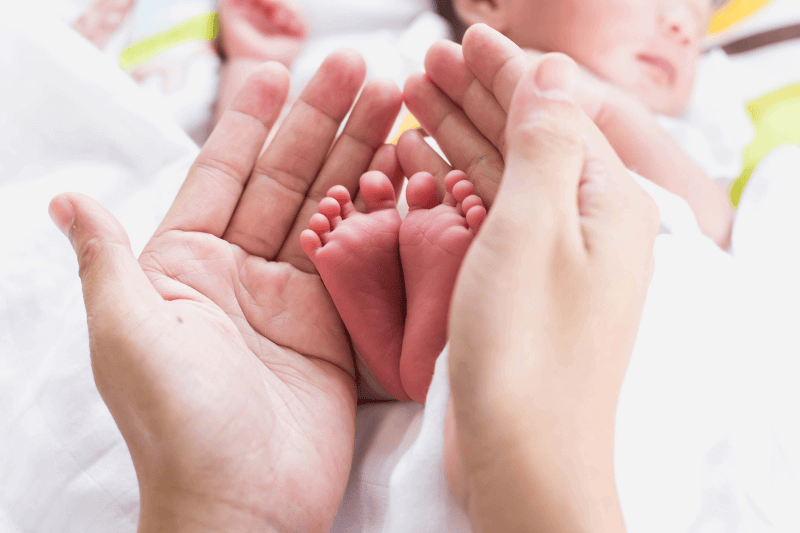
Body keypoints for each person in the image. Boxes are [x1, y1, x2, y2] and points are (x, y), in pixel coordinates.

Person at [49, 39, 657, 531]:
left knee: (357, 243)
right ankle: (417, 328)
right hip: (566, 375)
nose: (683, 24)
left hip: (343, 364)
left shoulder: (709, 123)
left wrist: (216, 510)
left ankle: (406, 338)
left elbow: (722, 215)